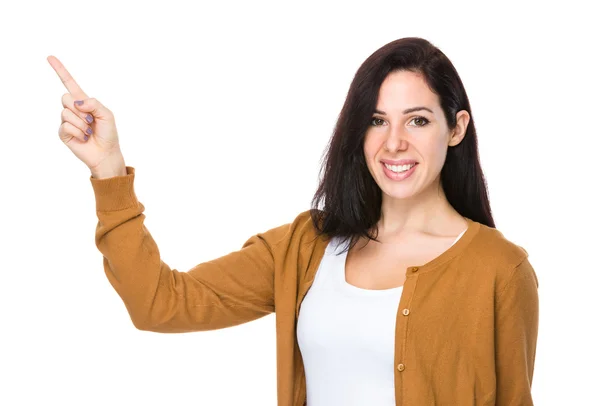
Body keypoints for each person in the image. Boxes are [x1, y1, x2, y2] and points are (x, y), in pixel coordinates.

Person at [48, 37, 539, 406]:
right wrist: (109, 171)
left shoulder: (499, 269)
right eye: (375, 120)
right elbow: (159, 304)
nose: (393, 143)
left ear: (456, 128)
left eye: (417, 120)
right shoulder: (307, 247)